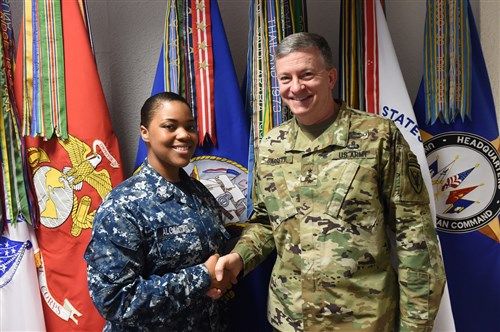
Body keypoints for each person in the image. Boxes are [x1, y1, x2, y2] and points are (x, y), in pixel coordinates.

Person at [215, 32, 446, 331]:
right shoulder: (272, 145)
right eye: (285, 78)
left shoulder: (378, 137)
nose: (296, 87)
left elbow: (415, 237)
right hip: (291, 319)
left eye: (307, 74)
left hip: (363, 320)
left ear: (331, 77)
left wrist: (417, 326)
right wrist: (239, 257)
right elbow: (264, 222)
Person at [84, 92, 234, 331]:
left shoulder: (200, 193)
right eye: (169, 126)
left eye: (190, 126)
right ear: (145, 132)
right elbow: (114, 300)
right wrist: (201, 278)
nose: (184, 135)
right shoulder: (124, 206)